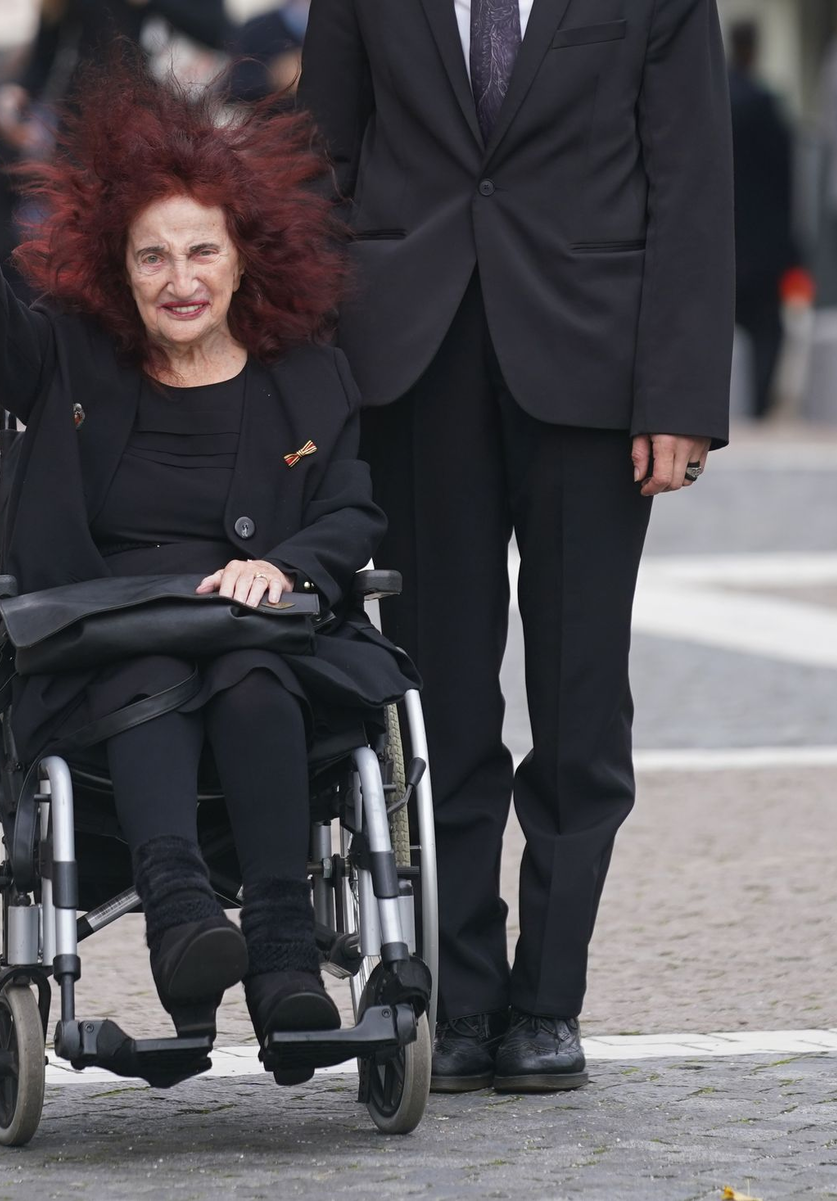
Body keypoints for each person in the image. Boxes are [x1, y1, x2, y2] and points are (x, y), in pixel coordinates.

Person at [0, 63, 418, 1064]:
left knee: (248, 674)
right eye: (152, 256)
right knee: (155, 668)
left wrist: (283, 567)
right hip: (102, 660)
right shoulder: (69, 358)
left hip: (262, 648)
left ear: (245, 259)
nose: (180, 278)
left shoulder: (308, 379)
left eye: (202, 250)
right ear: (121, 268)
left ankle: (286, 959)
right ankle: (181, 921)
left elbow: (352, 509)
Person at [299, 0, 733, 1092]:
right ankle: (460, 991)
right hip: (411, 362)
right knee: (438, 698)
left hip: (593, 375)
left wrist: (677, 392)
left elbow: (692, 181)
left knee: (582, 701)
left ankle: (549, 996)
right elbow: (315, 163)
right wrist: (302, 379)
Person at [0, 0, 234, 294]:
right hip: (86, 130)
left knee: (156, 236)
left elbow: (222, 33)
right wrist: (15, 92)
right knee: (84, 244)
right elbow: (44, 55)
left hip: (162, 129)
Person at [729, 20, 799, 418]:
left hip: (723, 236)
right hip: (762, 240)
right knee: (767, 331)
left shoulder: (713, 97)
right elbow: (784, 180)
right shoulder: (765, 103)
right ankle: (756, 406)